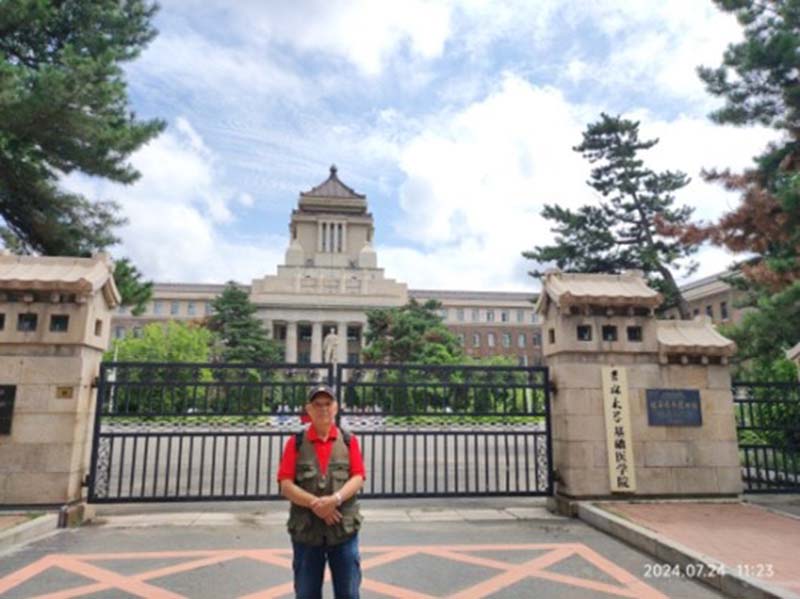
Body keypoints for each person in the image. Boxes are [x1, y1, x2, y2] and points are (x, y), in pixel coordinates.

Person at [278, 384, 365, 598]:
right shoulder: (295, 443)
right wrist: (316, 505)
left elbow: (358, 477)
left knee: (348, 593)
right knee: (307, 593)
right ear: (308, 409)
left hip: (342, 530)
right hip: (307, 532)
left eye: (328, 404)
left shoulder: (348, 440)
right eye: (317, 404)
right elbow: (285, 484)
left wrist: (335, 499)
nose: (323, 409)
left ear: (336, 407)